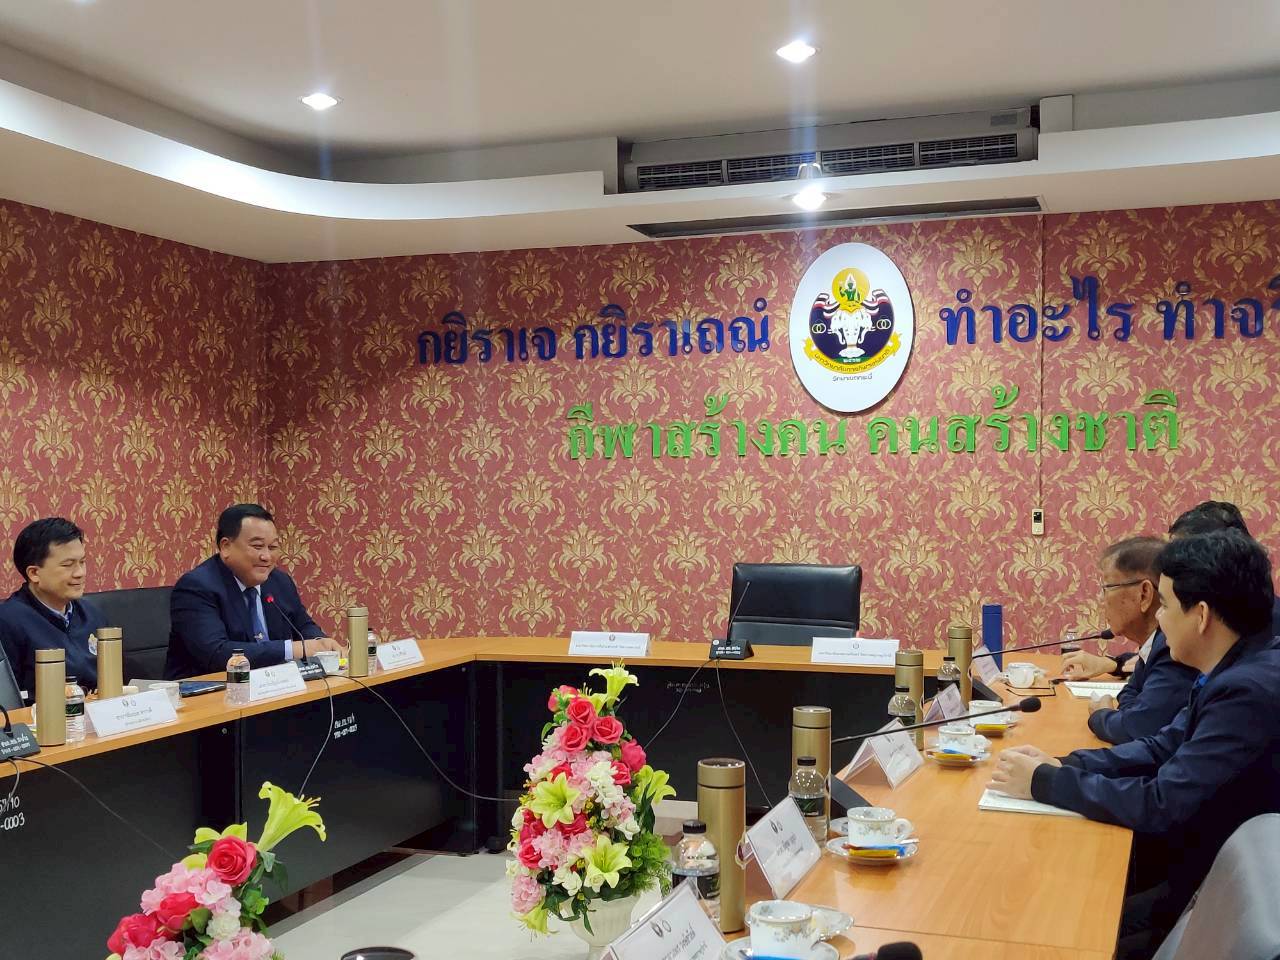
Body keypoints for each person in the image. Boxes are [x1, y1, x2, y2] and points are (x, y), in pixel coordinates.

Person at [988, 531, 1280, 960]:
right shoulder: (1233, 668)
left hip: (1202, 891)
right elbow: (1161, 747)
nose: (1159, 620)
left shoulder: (1246, 692)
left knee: (1058, 925)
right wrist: (1065, 764)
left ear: (1200, 615)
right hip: (1195, 874)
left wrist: (1046, 783)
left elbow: (1160, 803)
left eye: (1165, 605)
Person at [165, 504, 341, 679]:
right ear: (226, 547)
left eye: (272, 547)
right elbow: (216, 653)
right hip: (211, 690)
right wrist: (292, 649)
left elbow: (303, 626)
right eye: (257, 546)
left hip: (274, 686)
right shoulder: (196, 587)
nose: (266, 557)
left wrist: (321, 644)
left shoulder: (279, 582)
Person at [1068, 537, 1198, 744]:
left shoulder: (1171, 648)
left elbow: (1136, 728)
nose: (1102, 600)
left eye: (1107, 588)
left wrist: (1101, 715)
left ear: (1144, 594)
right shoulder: (1153, 644)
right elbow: (1130, 692)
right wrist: (1130, 712)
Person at [0, 518, 106, 700]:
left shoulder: (92, 614)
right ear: (34, 573)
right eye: (68, 565)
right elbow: (9, 700)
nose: (80, 573)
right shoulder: (8, 621)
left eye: (82, 562)